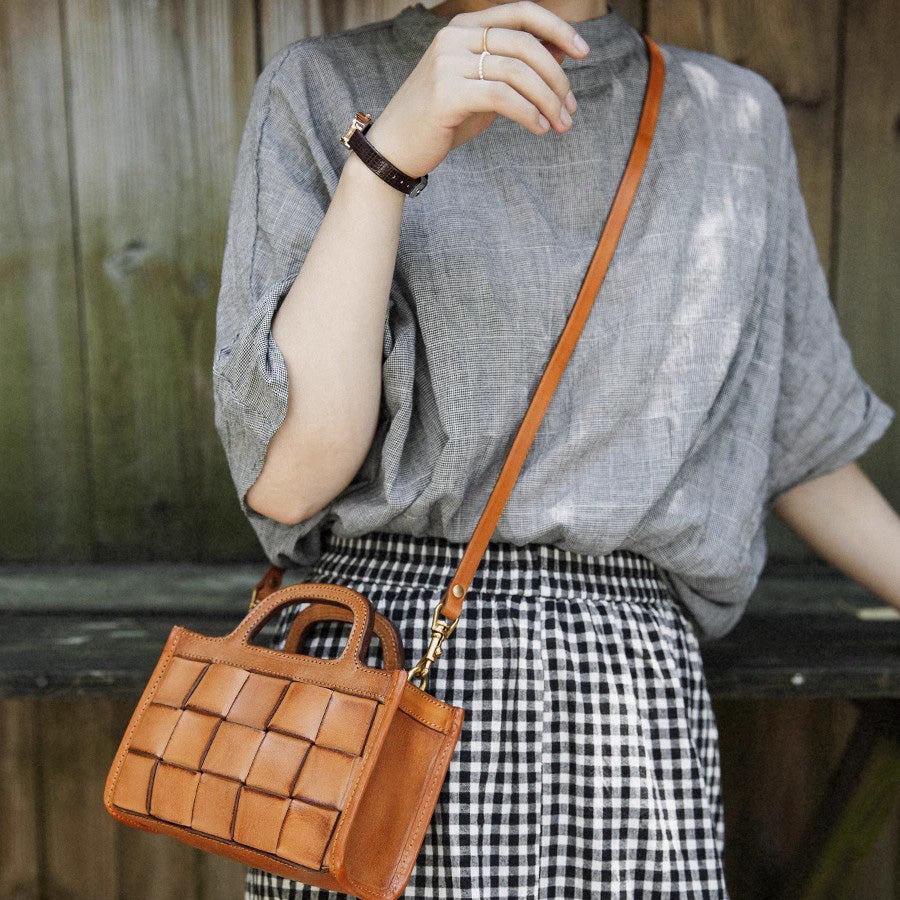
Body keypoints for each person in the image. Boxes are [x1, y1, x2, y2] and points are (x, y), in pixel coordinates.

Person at [212, 1, 899, 897]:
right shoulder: (321, 88)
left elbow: (794, 437)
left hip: (628, 707)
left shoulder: (732, 120)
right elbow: (291, 479)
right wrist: (387, 159)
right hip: (381, 676)